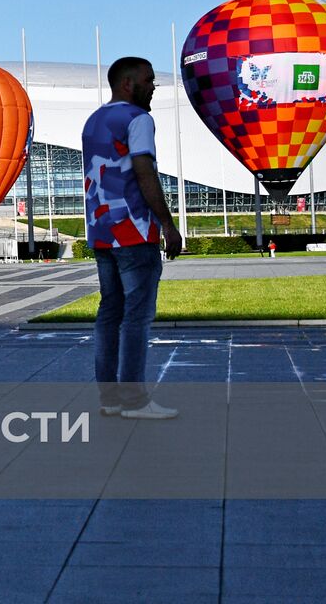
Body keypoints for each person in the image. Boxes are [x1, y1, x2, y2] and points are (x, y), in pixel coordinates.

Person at [82, 57, 183, 419]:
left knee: (109, 313)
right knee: (136, 318)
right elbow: (144, 171)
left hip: (102, 232)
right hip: (135, 232)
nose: (153, 86)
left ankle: (109, 399)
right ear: (128, 84)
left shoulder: (93, 121)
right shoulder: (139, 119)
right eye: (148, 80)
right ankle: (135, 401)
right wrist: (167, 225)